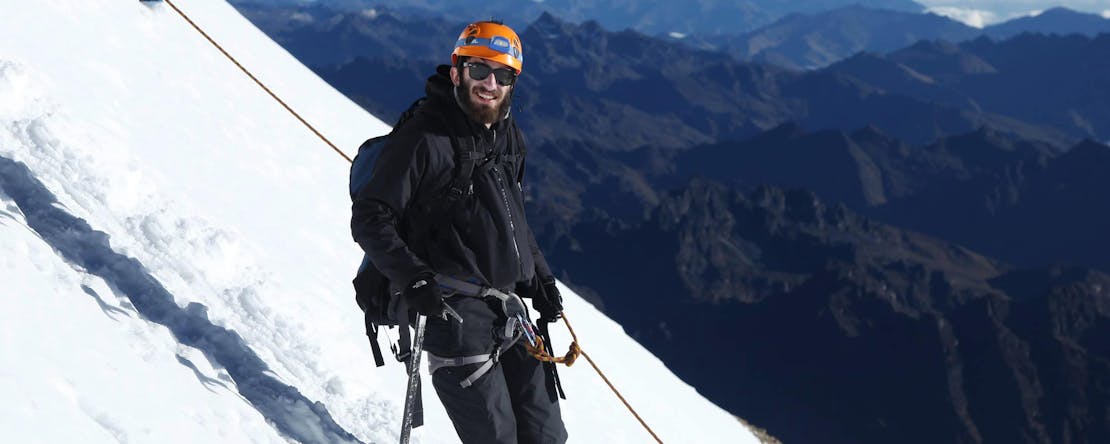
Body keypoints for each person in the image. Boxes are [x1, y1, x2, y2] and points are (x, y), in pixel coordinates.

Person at [350, 20, 568, 444]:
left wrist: (539, 278)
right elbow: (371, 216)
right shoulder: (424, 139)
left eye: (503, 75)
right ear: (456, 72)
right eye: (479, 70)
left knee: (546, 436)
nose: (490, 83)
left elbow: (512, 218)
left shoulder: (505, 136)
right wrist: (412, 278)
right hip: (453, 313)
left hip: (507, 310)